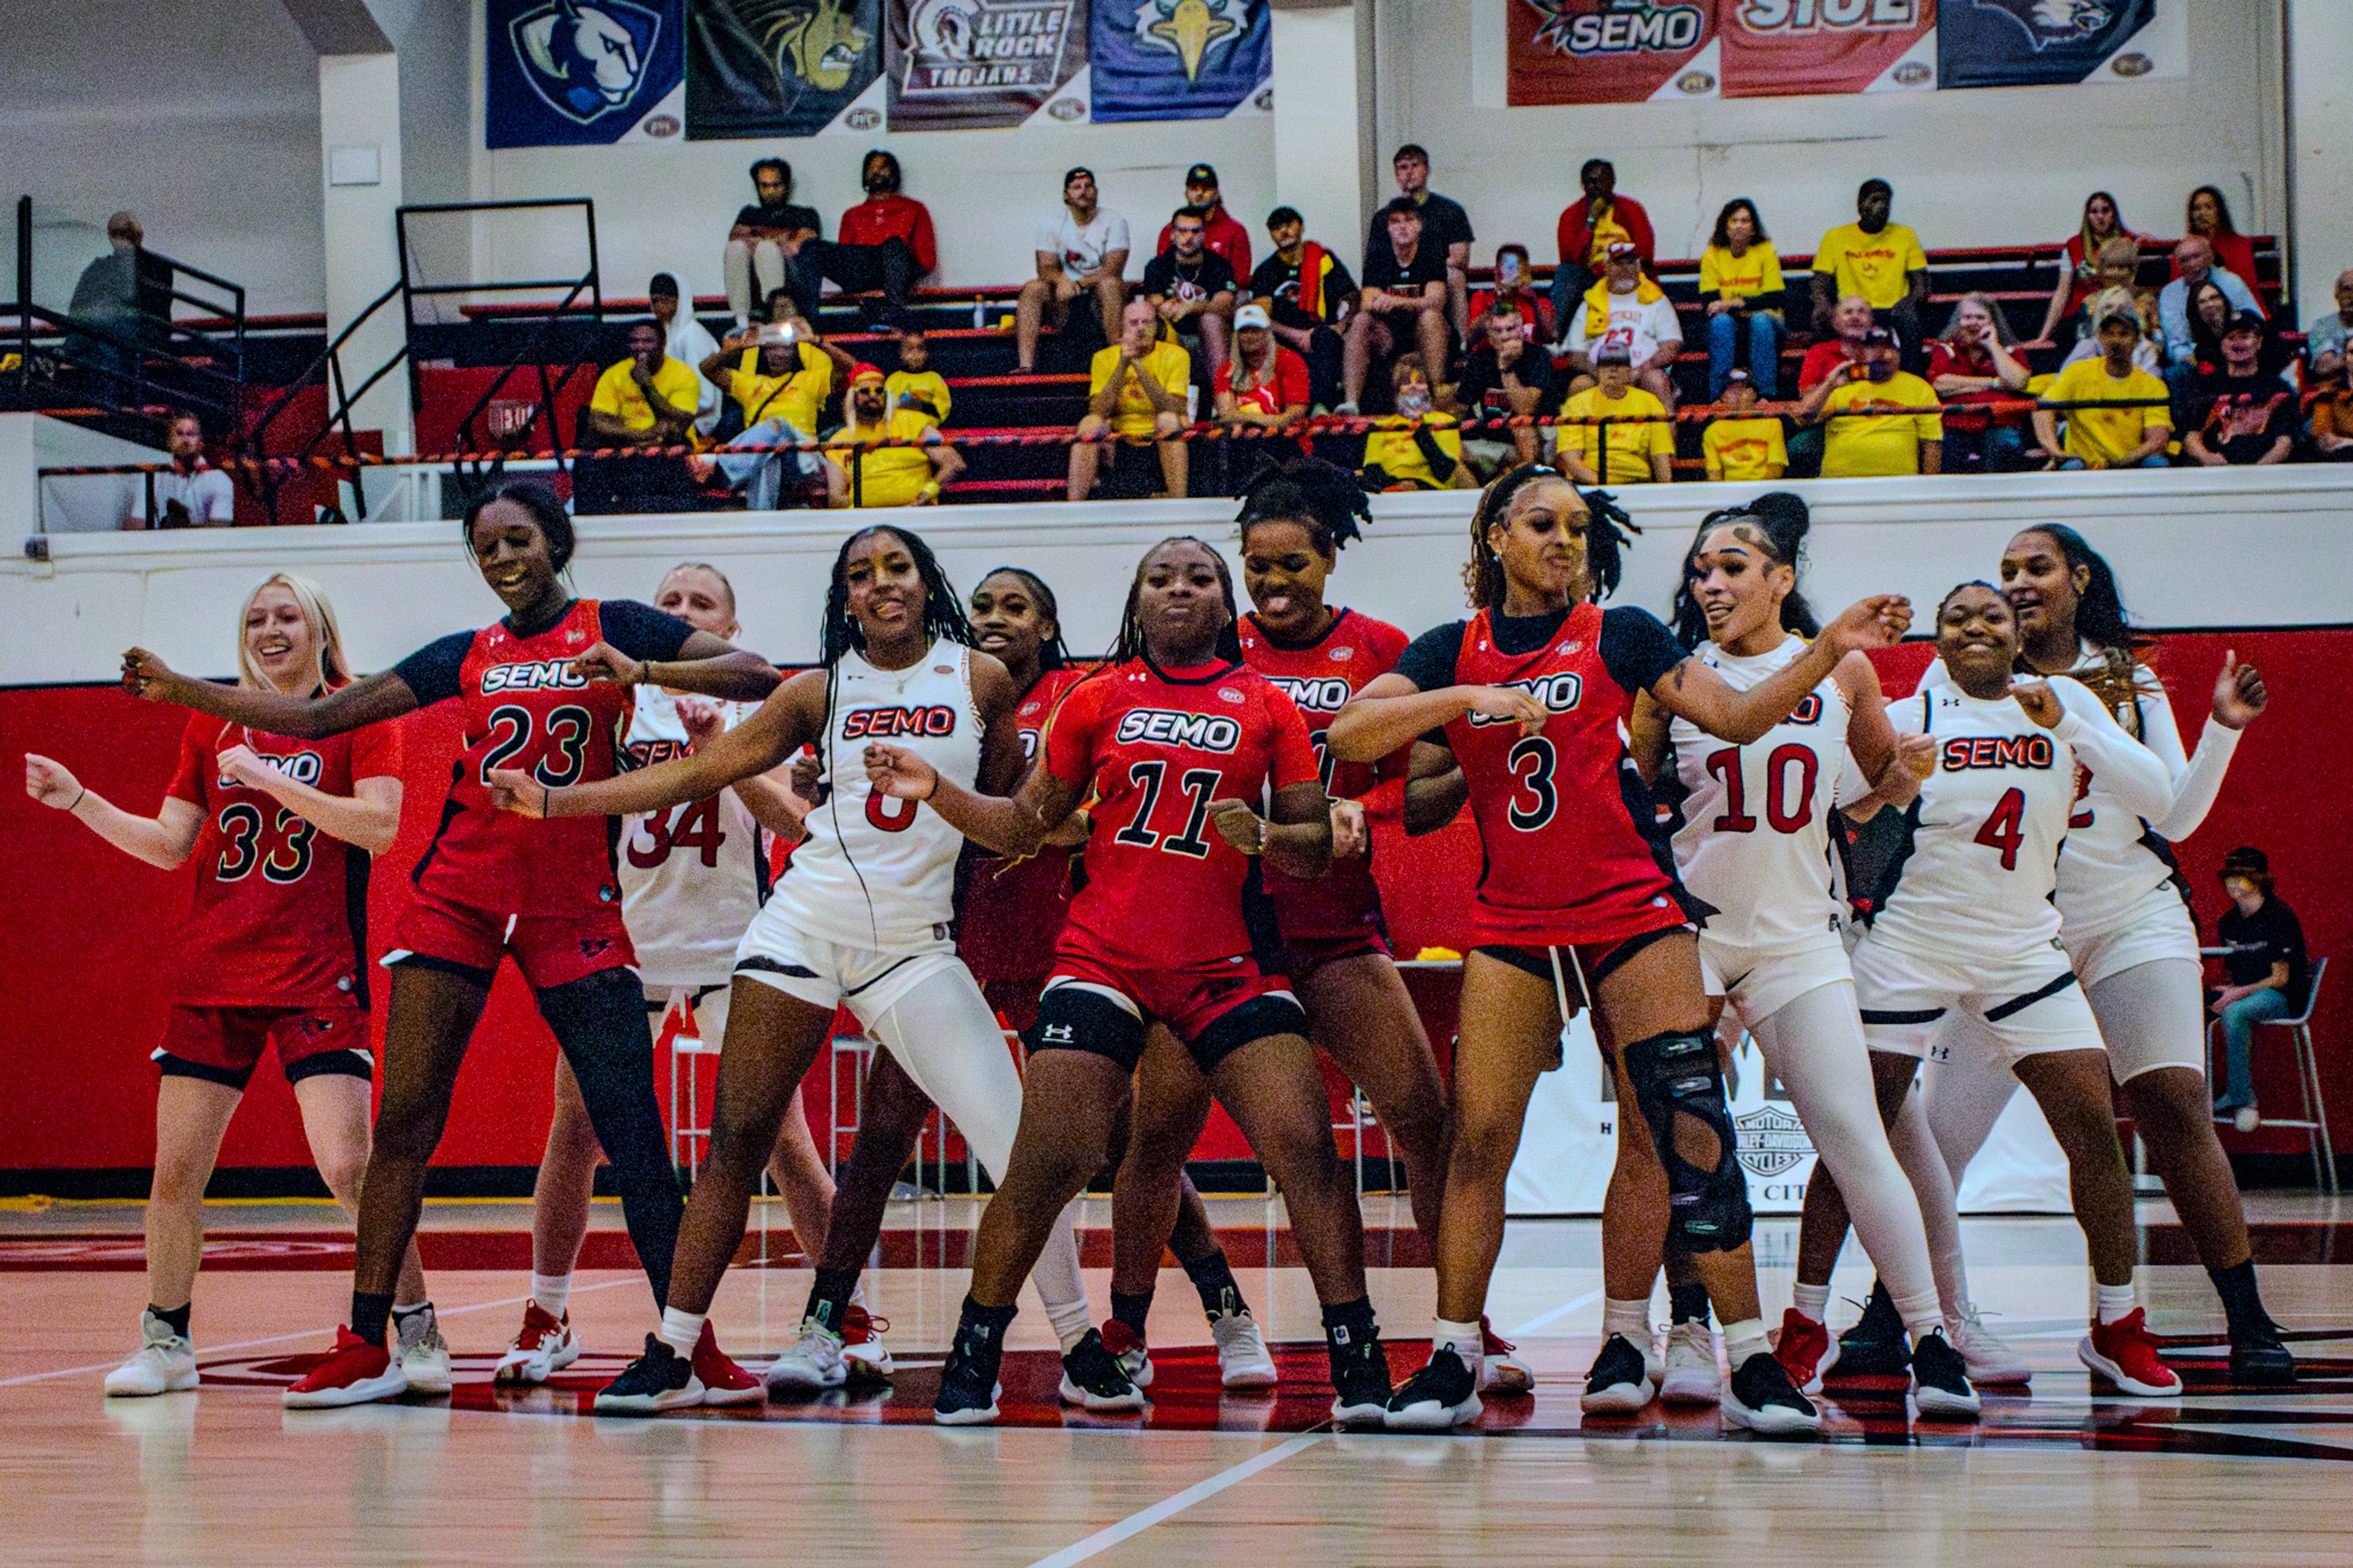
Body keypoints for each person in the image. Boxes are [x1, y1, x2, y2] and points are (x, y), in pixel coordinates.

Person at [118, 482, 781, 1406]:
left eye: (518, 539)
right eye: (485, 545)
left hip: (571, 904)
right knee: (404, 1123)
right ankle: (368, 1340)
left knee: (630, 1128)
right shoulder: (464, 653)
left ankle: (686, 1346)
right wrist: (181, 687)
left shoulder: (616, 621)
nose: (503, 556)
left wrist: (643, 672)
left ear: (556, 540)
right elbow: (314, 719)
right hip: (460, 896)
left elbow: (758, 674)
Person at [488, 526, 1129, 1415]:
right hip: (799, 927)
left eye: (896, 567)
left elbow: (1016, 828)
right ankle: (673, 1351)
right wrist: (560, 800)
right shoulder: (815, 692)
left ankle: (1078, 1340)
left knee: (1022, 1149)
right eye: (860, 575)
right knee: (738, 1141)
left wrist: (934, 790)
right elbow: (699, 772)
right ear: (845, 597)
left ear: (924, 577)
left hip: (913, 947)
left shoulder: (978, 681)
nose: (880, 585)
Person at [1326, 463, 1912, 1433]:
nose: (1564, 539)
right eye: (1541, 523)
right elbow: (1350, 732)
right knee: (1479, 1139)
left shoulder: (1624, 632)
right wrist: (1468, 693)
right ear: (1497, 540)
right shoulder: (1450, 648)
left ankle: (1745, 1356)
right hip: (1513, 922)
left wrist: (1831, 651)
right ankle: (1452, 1352)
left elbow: (1733, 715)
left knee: (1689, 1132)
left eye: (1579, 527)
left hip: (1632, 911)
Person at [862, 537, 1401, 1428]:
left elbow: (1310, 852)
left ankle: (1360, 1358)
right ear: (1137, 600)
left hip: (1225, 966)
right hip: (1101, 960)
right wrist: (936, 790)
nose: (1179, 588)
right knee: (1049, 1160)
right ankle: (975, 1352)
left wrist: (1269, 835)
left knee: (1305, 1144)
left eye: (1198, 577)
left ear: (1225, 603)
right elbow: (1023, 825)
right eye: (1161, 577)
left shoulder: (1269, 706)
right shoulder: (1097, 695)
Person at [1105, 463, 1490, 1395]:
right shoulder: (1210, 646)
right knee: (1158, 1137)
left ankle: (1466, 1330)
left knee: (1424, 1118)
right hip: (1218, 938)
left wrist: (1384, 806)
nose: (1275, 586)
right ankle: (1125, 1327)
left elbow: (1427, 784)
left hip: (1332, 928)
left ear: (1329, 560)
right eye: (1259, 566)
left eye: (1294, 566)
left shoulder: (1380, 650)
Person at [1884, 528, 2294, 1388]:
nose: (2019, 583)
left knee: (2173, 1100)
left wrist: (2222, 729)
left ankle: (2248, 1316)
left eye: (2037, 568)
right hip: (2004, 931)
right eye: (2006, 572)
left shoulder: (2129, 677)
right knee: (1938, 1138)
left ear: (2079, 579)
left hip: (2125, 913)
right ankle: (1895, 1318)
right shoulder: (1952, 667)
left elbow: (2178, 816)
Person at [28, 574, 434, 1399]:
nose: (271, 628)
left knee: (350, 1167)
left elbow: (379, 827)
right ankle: (167, 1339)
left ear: (320, 627)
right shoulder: (210, 720)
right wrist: (82, 801)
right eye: (256, 618)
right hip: (215, 972)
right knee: (175, 1171)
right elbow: (172, 842)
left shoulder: (361, 713)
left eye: (288, 615)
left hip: (319, 971)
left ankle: (419, 1332)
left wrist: (270, 774)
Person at [1790, 581, 2186, 1401]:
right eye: (1959, 616)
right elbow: (1830, 806)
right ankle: (1804, 1323)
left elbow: (2162, 799)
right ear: (1937, 637)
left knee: (2094, 1133)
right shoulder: (1907, 712)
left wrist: (2071, 725)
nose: (1975, 625)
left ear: (2018, 635)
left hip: (2023, 947)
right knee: (1853, 1136)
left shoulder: (2063, 699)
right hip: (1911, 943)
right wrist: (1888, 777)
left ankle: (2118, 1324)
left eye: (1994, 615)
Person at [1627, 504, 1979, 1417]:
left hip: (1795, 936)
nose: (1712, 583)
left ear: (1781, 577)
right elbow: (1632, 803)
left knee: (1857, 1137)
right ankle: (1692, 1326)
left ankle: (1932, 1339)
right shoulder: (1674, 676)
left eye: (1734, 566)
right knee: (1682, 1144)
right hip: (1690, 940)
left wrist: (1908, 772)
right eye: (1702, 568)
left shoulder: (1848, 667)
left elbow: (1868, 802)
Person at [490, 562, 827, 1401]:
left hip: (733, 942)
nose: (679, 613)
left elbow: (796, 823)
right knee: (576, 1126)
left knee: (782, 1138)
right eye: (668, 601)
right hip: (626, 938)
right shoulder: (611, 699)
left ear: (729, 620)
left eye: (699, 603)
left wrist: (720, 755)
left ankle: (842, 1315)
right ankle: (548, 1312)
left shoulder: (759, 703)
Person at [2212, 847, 2311, 1132]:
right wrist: (2226, 990)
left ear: (2259, 881)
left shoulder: (2279, 917)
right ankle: (2196, 1098)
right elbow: (2235, 972)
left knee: (2236, 1013)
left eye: (2242, 879)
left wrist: (2235, 994)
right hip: (2246, 991)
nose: (2234, 885)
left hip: (2281, 997)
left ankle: (2243, 1100)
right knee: (2203, 1008)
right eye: (2230, 878)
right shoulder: (2228, 923)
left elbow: (2280, 979)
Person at [703, 315, 841, 510]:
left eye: (785, 348)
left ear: (794, 351)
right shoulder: (751, 384)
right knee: (769, 458)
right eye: (772, 348)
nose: (778, 354)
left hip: (805, 459)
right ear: (765, 352)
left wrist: (816, 342)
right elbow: (707, 369)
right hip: (769, 455)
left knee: (777, 425)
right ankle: (761, 523)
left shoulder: (810, 380)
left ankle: (719, 467)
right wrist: (740, 347)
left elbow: (851, 369)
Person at [1070, 295, 1190, 502]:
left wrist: (1137, 365)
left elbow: (1175, 407)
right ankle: (1074, 506)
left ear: (1156, 327)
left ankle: (1179, 501)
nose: (1140, 328)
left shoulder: (1176, 355)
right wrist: (1123, 365)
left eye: (1147, 322)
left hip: (1158, 432)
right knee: (1089, 423)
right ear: (1122, 327)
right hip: (1118, 437)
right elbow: (1098, 410)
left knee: (1169, 420)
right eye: (1133, 323)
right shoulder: (1103, 358)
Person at [1342, 198, 1452, 415]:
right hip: (1389, 333)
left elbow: (1436, 301)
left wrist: (1396, 301)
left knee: (1430, 317)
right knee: (1362, 320)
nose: (1402, 227)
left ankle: (1436, 394)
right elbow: (1367, 302)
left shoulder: (1431, 253)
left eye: (1409, 220)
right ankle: (1350, 403)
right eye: (1395, 222)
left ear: (1419, 226)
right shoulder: (1379, 256)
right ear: (1388, 228)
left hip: (1423, 332)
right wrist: (1400, 302)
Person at [579, 320, 702, 513]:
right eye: (635, 341)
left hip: (670, 446)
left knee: (671, 439)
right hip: (627, 442)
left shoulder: (683, 375)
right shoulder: (615, 373)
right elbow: (598, 420)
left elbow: (677, 423)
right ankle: (590, 515)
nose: (640, 347)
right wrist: (638, 435)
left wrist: (647, 386)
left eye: (648, 341)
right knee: (590, 441)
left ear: (663, 345)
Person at [1017, 168, 1129, 374]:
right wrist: (1062, 279)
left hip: (1100, 299)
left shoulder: (1115, 221)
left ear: (1096, 192)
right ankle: (1026, 366)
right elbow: (1045, 267)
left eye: (1088, 186)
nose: (1083, 191)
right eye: (1076, 187)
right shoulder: (1051, 223)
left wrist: (1077, 284)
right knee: (1033, 288)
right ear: (1066, 195)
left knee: (1111, 285)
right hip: (1063, 303)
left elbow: (1113, 269)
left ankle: (1118, 361)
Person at [2037, 303, 2172, 470]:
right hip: (2084, 465)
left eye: (2124, 334)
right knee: (2072, 467)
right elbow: (2042, 409)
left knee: (2157, 464)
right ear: (2100, 337)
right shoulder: (2077, 372)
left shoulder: (2153, 386)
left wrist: (2117, 465)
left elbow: (2157, 441)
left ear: (2137, 340)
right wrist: (2055, 451)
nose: (2115, 341)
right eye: (2109, 334)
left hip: (2130, 465)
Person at [1811, 180, 1928, 366]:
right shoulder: (1835, 237)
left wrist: (1909, 303)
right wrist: (1824, 305)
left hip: (1893, 310)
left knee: (1910, 320)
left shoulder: (1906, 235)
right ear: (1860, 204)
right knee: (1820, 318)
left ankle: (1912, 381)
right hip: (1853, 310)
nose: (1880, 207)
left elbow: (1921, 284)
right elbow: (1819, 283)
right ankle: (1826, 379)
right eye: (1874, 200)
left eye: (1885, 202)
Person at [1800, 327, 1942, 479]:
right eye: (1872, 347)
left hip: (1899, 484)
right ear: (1859, 354)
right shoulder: (1841, 384)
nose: (1881, 354)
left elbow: (1932, 443)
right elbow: (1804, 418)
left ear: (1898, 354)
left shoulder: (1919, 388)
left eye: (1888, 348)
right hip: (1841, 483)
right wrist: (1829, 385)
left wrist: (1927, 487)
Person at [1249, 206, 1354, 411]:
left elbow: (1353, 297)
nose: (1284, 231)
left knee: (1323, 340)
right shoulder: (1266, 271)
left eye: (1289, 224)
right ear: (1271, 234)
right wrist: (1297, 336)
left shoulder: (1324, 260)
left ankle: (1321, 408)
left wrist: (1340, 327)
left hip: (1325, 333)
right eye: (1277, 228)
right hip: (1285, 337)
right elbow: (1261, 317)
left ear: (1301, 227)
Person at [1368, 145, 1474, 339]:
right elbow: (1376, 258)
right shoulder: (1383, 217)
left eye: (1414, 166)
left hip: (1436, 276)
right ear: (1396, 174)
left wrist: (1424, 269)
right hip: (1397, 275)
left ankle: (1461, 342)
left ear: (1426, 169)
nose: (1409, 173)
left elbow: (1459, 258)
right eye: (1403, 167)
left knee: (1455, 275)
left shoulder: (1450, 211)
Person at [1563, 242, 1683, 409]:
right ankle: (1570, 435)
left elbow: (1671, 344)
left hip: (1643, 372)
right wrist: (1601, 374)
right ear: (1607, 267)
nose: (1625, 269)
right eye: (1618, 263)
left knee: (1656, 381)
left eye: (1631, 263)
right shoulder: (1590, 302)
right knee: (1579, 385)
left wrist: (1641, 370)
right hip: (1600, 375)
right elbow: (1575, 354)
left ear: (1639, 267)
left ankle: (1666, 436)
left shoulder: (1657, 300)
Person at [1550, 160, 1655, 343]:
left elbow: (1645, 252)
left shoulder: (1632, 209)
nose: (1596, 187)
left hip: (1627, 272)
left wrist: (1618, 265)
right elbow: (1569, 258)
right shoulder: (1571, 215)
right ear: (1582, 185)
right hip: (1588, 277)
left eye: (1602, 181)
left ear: (1612, 181)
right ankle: (1561, 339)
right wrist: (1590, 222)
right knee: (1565, 274)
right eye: (1590, 182)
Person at [830, 363, 963, 506]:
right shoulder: (841, 440)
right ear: (853, 396)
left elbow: (954, 463)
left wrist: (926, 496)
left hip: (915, 514)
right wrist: (862, 508)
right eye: (865, 391)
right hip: (866, 521)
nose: (873, 396)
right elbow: (835, 496)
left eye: (879, 391)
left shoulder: (912, 421)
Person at [1927, 294, 2033, 472]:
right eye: (1967, 317)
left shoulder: (2008, 350)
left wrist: (1993, 345)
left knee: (2006, 446)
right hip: (1957, 425)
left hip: (2000, 423)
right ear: (1958, 321)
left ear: (1993, 322)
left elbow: (2018, 382)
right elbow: (1940, 384)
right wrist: (1995, 383)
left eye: (1980, 317)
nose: (1974, 323)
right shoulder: (1945, 349)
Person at [1457, 302, 1564, 467]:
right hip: (1493, 432)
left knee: (1522, 428)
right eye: (1498, 331)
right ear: (1490, 338)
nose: (1505, 336)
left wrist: (1506, 368)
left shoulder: (1539, 357)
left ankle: (1528, 476)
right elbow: (1462, 406)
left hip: (1536, 431)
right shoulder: (1479, 361)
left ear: (1522, 331)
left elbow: (1526, 408)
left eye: (1511, 329)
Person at [2181, 312, 2296, 466]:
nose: (2237, 343)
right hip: (2213, 473)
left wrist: (2258, 471)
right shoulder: (2204, 386)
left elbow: (2285, 442)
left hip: (2265, 473)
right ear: (2222, 345)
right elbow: (2190, 435)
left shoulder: (2278, 387)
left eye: (2244, 337)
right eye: (2231, 338)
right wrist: (2207, 458)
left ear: (2259, 342)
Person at [1699, 199, 1784, 399]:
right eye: (1734, 220)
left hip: (1767, 326)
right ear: (1725, 227)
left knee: (1760, 320)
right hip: (1730, 327)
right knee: (1720, 323)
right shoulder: (1712, 255)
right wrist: (1750, 302)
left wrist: (1735, 303)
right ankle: (1719, 395)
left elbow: (1775, 298)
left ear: (1754, 228)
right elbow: (1711, 304)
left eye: (1745, 221)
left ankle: (1767, 395)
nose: (1739, 226)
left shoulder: (1766, 250)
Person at [1142, 205, 1238, 382]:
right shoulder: (1157, 266)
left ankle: (1222, 394)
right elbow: (1154, 302)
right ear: (1172, 234)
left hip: (1208, 335)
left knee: (1211, 319)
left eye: (1195, 231)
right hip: (1172, 331)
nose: (1189, 237)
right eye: (1183, 231)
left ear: (1204, 234)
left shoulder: (1219, 265)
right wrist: (1166, 306)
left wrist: (1191, 307)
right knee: (1154, 320)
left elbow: (1223, 305)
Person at [723, 159, 822, 327]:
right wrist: (781, 236)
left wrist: (759, 236)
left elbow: (802, 241)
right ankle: (741, 322)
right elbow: (736, 237)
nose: (770, 191)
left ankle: (774, 316)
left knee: (766, 249)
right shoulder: (749, 213)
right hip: (753, 281)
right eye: (765, 186)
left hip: (792, 279)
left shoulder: (804, 214)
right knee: (737, 248)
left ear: (786, 185)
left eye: (776, 185)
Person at [2036, 192, 2139, 349]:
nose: (2100, 217)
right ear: (2087, 216)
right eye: (2094, 212)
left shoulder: (2129, 241)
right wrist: (2043, 336)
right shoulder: (2074, 245)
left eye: (2105, 211)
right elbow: (2062, 293)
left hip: (2118, 309)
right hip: (2081, 313)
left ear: (2114, 214)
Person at [1555, 347, 1673, 485]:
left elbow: (1660, 457)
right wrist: (1604, 486)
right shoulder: (1577, 404)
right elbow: (1571, 459)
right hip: (1592, 484)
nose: (1613, 369)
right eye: (1607, 364)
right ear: (1598, 371)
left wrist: (1665, 491)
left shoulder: (1650, 403)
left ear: (1630, 371)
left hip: (1639, 483)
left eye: (1620, 364)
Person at [1359, 358, 1471, 491]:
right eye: (1406, 382)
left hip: (1433, 491)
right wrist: (1396, 485)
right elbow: (1372, 469)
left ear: (1429, 389)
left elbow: (1444, 472)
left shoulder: (1444, 421)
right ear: (1397, 391)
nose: (1413, 386)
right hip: (1390, 489)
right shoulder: (1382, 426)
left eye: (1419, 382)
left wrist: (1421, 431)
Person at [2157, 238, 2262, 370]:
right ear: (2178, 264)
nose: (2192, 264)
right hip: (2194, 358)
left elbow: (2255, 323)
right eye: (2185, 260)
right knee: (2176, 373)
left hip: (2237, 352)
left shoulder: (2232, 283)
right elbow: (2176, 342)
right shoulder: (2170, 294)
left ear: (2210, 256)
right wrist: (2193, 361)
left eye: (2196, 256)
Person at [838, 150, 938, 284]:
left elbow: (927, 261)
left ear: (894, 173)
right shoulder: (852, 215)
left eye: (883, 167)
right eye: (871, 168)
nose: (876, 171)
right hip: (862, 286)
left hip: (899, 284)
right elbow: (843, 262)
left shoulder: (914, 209)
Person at [648, 273, 724, 439]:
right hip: (668, 415)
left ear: (679, 300)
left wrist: (668, 416)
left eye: (665, 301)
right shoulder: (665, 335)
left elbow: (706, 399)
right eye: (655, 301)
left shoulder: (692, 335)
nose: (659, 307)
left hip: (698, 422)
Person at [132, 409, 237, 528]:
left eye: (191, 434)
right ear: (170, 441)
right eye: (180, 434)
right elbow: (136, 522)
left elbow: (220, 528)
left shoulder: (219, 479)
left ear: (200, 441)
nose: (185, 439)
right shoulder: (152, 476)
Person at [1214, 303, 1309, 434]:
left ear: (1267, 333)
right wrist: (1268, 420)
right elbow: (1227, 417)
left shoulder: (1290, 360)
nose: (1249, 336)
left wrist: (1244, 416)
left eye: (1255, 330)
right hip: (1243, 440)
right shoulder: (1226, 370)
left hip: (1284, 440)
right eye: (1243, 331)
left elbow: (1294, 415)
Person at [1156, 163, 1251, 280]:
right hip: (1178, 296)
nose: (1200, 193)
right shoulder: (1169, 231)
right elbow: (1161, 273)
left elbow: (1240, 278)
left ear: (1217, 193)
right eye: (1194, 188)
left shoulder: (1236, 231)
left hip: (1223, 295)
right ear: (1186, 193)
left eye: (1206, 188)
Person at [1700, 370, 1786, 482]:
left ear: (1754, 393)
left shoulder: (1773, 425)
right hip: (1730, 492)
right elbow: (1714, 475)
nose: (1739, 393)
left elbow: (1776, 469)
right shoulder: (1713, 431)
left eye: (1745, 388)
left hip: (1763, 490)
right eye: (1732, 389)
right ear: (1723, 397)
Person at [1468, 244, 1557, 348]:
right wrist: (1498, 303)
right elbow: (1471, 339)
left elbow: (1548, 338)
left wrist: (1535, 304)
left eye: (1522, 269)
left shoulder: (1541, 304)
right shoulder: (1482, 299)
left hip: (1530, 359)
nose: (1518, 275)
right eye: (1511, 268)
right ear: (1497, 271)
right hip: (1491, 357)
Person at [2180, 186, 2259, 295]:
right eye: (2197, 208)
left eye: (2208, 207)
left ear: (2220, 211)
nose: (2202, 213)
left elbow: (2247, 287)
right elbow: (2179, 289)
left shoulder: (2240, 245)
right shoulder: (2185, 248)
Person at [886, 329, 950, 427]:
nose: (915, 355)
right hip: (901, 430)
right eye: (910, 349)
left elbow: (942, 407)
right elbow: (888, 408)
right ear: (901, 353)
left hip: (927, 428)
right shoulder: (894, 379)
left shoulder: (934, 378)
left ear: (927, 353)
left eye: (920, 349)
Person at [2305, 267, 2353, 379]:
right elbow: (2324, 367)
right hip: (2335, 386)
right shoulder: (2322, 326)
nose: (2351, 296)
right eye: (2347, 289)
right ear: (2337, 295)